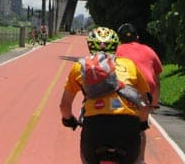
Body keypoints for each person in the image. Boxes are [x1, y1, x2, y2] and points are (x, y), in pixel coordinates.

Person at [60, 26, 150, 164]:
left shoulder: (80, 67)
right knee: (136, 160)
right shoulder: (130, 65)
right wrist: (142, 123)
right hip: (127, 126)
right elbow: (144, 103)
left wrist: (68, 120)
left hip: (94, 127)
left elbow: (64, 105)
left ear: (90, 46)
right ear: (115, 46)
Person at [116, 23, 163, 163]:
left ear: (119, 39)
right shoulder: (149, 50)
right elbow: (156, 81)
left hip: (123, 92)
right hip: (145, 95)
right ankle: (140, 160)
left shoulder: (116, 50)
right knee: (140, 127)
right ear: (137, 37)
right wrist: (153, 104)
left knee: (116, 123)